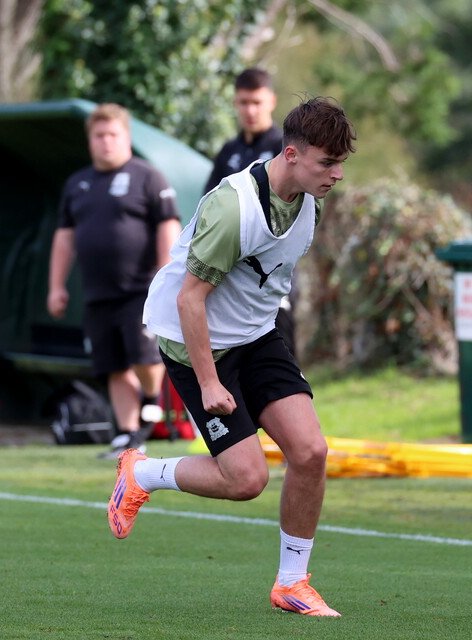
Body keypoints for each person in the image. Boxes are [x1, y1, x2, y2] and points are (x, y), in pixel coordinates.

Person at [108, 96, 356, 617]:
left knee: (310, 452)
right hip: (195, 341)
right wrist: (209, 383)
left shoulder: (310, 199)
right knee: (247, 480)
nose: (336, 174)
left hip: (256, 336)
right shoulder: (233, 208)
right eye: (326, 163)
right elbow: (189, 298)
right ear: (291, 154)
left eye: (340, 163)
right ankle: (142, 473)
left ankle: (292, 583)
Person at [48, 103, 181, 459]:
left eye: (113, 135)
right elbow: (64, 237)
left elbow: (168, 226)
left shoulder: (147, 177)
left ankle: (151, 399)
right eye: (99, 135)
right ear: (90, 140)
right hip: (97, 294)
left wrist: (164, 277)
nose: (106, 142)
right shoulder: (78, 184)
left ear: (126, 137)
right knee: (112, 365)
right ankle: (127, 434)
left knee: (142, 355)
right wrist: (56, 286)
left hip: (140, 290)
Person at [203, 68, 300, 360]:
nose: (250, 110)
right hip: (230, 272)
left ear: (271, 101)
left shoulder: (287, 149)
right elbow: (207, 207)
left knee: (280, 365)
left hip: (273, 270)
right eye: (244, 102)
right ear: (235, 103)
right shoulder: (228, 152)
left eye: (257, 102)